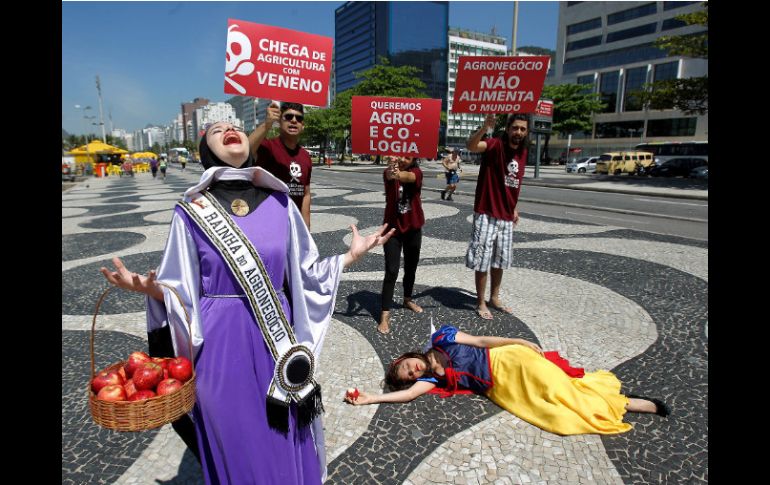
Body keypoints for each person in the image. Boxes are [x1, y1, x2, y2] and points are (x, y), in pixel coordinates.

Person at [100, 121, 394, 485]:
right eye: (216, 130)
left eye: (234, 126)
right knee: (236, 441)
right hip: (219, 346)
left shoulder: (279, 202)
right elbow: (180, 288)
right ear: (206, 150)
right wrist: (149, 289)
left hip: (277, 343)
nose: (228, 129)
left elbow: (304, 272)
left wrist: (349, 257)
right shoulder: (191, 209)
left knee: (284, 434)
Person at [345, 324, 670, 436]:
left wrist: (520, 342)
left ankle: (631, 403)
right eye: (409, 376)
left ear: (406, 357)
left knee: (561, 389)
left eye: (409, 366)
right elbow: (407, 396)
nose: (414, 371)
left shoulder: (443, 338)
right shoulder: (434, 381)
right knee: (555, 411)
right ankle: (624, 404)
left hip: (507, 360)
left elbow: (482, 342)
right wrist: (373, 398)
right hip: (505, 387)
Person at [465, 114, 528, 321]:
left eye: (523, 129)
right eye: (515, 128)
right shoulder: (494, 145)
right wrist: (484, 128)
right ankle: (481, 301)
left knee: (500, 260)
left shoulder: (524, 152)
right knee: (482, 260)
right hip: (487, 213)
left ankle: (494, 298)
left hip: (507, 216)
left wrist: (514, 208)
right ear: (508, 128)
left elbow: (515, 184)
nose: (518, 132)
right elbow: (472, 146)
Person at [377, 156, 425, 335]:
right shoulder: (388, 172)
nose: (404, 159)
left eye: (407, 155)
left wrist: (398, 173)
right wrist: (392, 171)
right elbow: (390, 175)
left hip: (413, 228)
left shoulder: (417, 172)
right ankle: (385, 312)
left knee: (411, 267)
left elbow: (409, 178)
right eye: (400, 155)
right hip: (392, 230)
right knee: (391, 270)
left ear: (414, 157)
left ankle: (407, 298)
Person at [249, 101, 313, 228]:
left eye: (299, 118)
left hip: (294, 225)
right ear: (279, 122)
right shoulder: (268, 147)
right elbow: (245, 151)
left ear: (303, 125)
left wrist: (305, 229)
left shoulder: (305, 155)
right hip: (267, 224)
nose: (294, 121)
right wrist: (267, 124)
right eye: (288, 117)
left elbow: (305, 193)